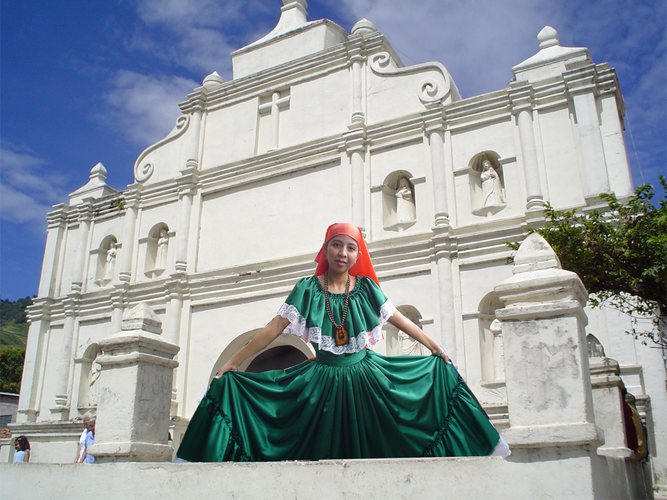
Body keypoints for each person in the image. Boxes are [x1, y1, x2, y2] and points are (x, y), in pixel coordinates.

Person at [177, 223, 509, 462]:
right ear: (326, 249)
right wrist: (235, 360)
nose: (343, 252)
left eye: (351, 247)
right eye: (337, 244)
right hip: (320, 379)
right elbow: (272, 329)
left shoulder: (366, 289)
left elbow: (399, 319)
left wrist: (434, 346)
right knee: (313, 444)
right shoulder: (306, 289)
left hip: (366, 377)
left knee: (383, 438)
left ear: (357, 254)